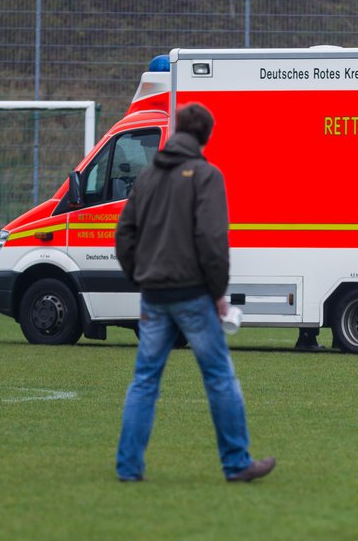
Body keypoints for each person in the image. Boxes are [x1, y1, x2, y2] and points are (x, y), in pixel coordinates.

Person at [114, 102, 275, 483]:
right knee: (218, 377)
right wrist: (217, 292)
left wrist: (141, 276)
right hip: (192, 294)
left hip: (153, 294)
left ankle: (128, 467)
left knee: (144, 380)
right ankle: (236, 463)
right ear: (205, 137)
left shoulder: (148, 176)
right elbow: (212, 239)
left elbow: (124, 234)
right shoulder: (206, 175)